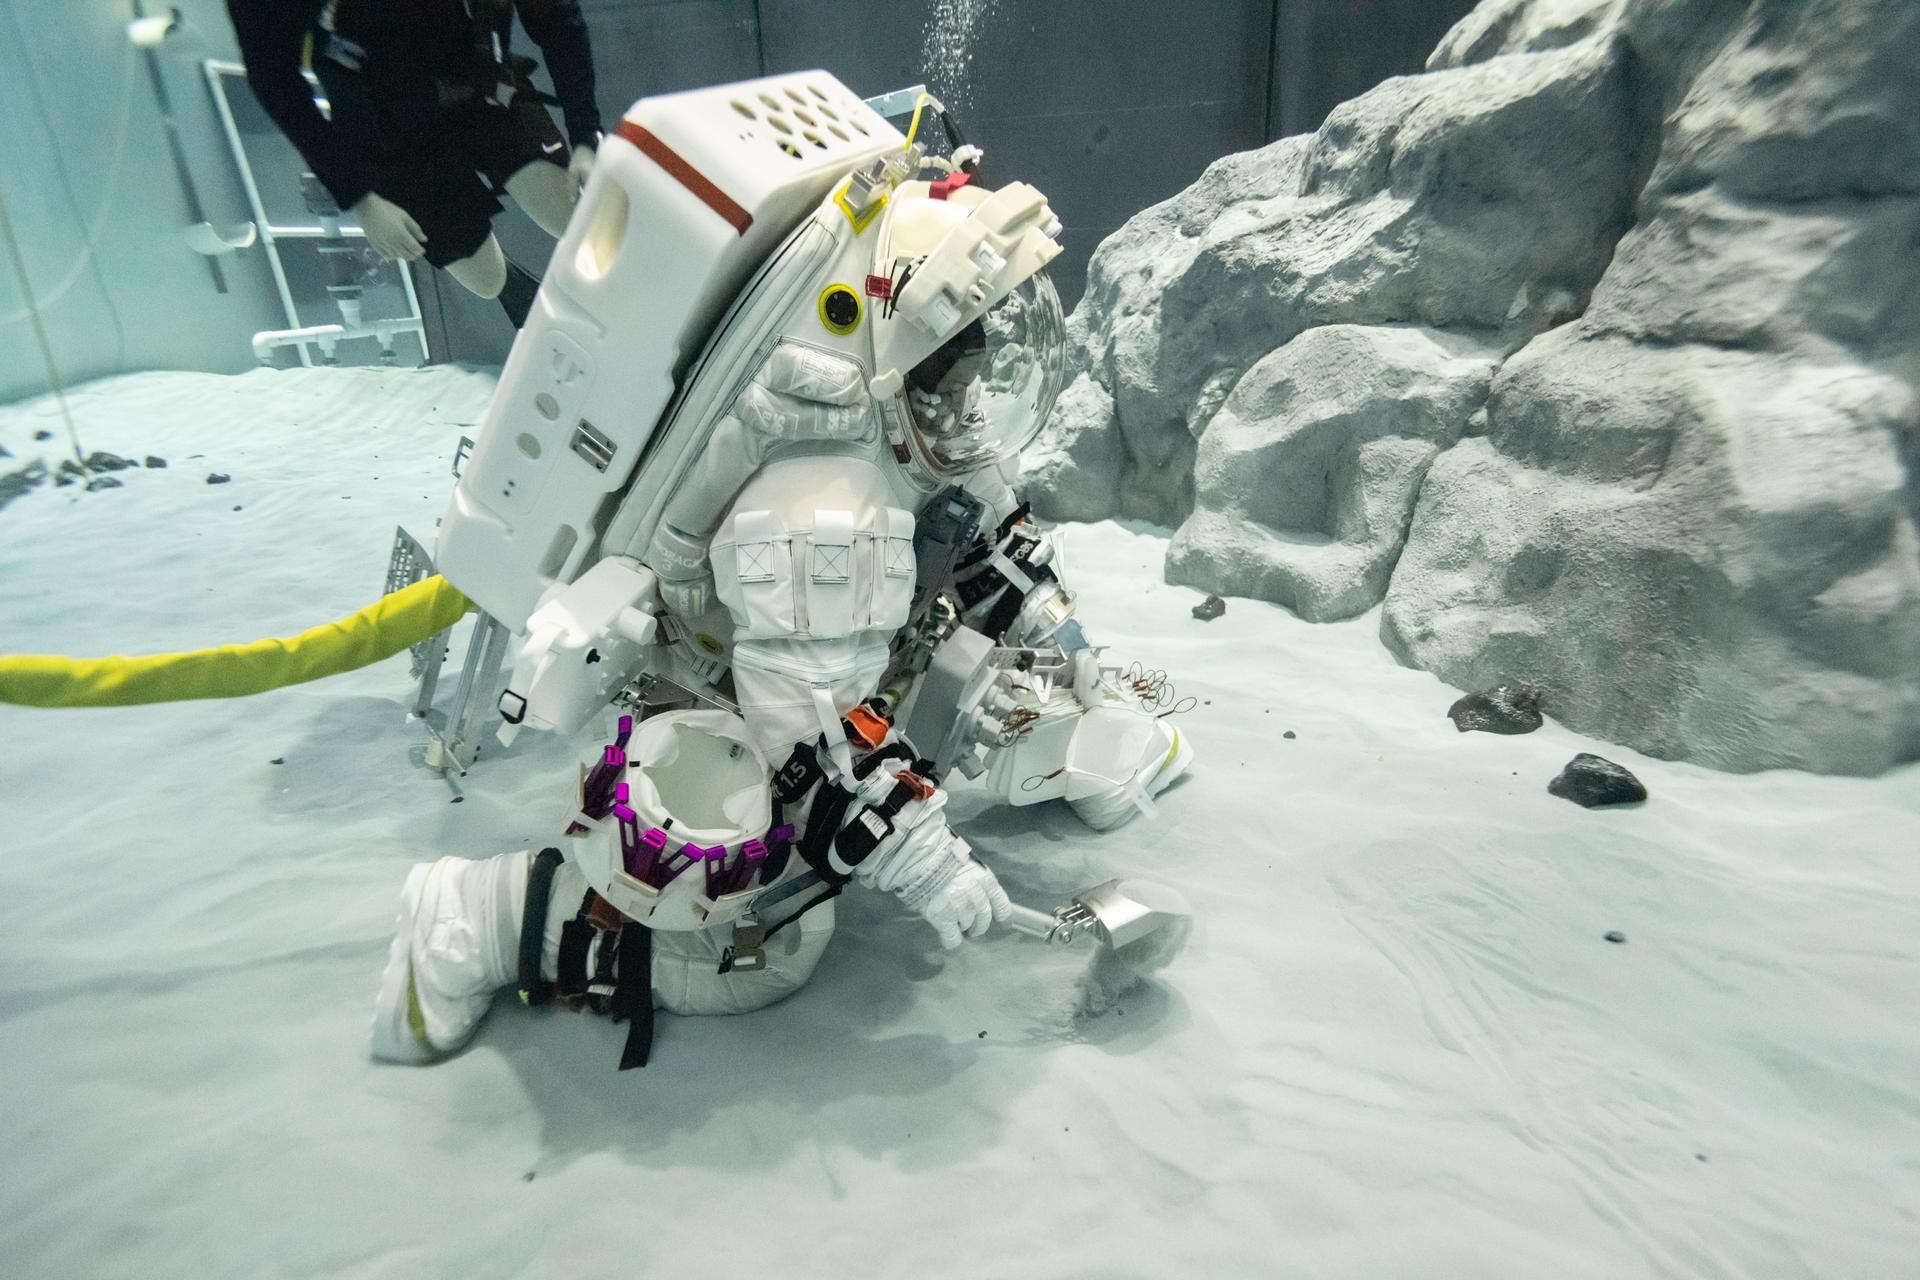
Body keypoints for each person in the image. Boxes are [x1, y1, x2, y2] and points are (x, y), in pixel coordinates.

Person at [371, 82, 1195, 1069]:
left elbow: (981, 513)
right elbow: (811, 741)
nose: (971, 402)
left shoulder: (890, 384)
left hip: (821, 661)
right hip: (732, 692)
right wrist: (930, 864)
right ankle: (477, 915)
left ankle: (1056, 739)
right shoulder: (824, 508)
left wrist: (1066, 644)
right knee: (764, 954)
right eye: (959, 379)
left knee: (967, 678)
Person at [226, 0, 602, 325]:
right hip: (387, 136)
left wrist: (586, 136)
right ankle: (520, 292)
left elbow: (557, 19)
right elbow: (274, 82)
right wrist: (361, 199)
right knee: (486, 280)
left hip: (478, 85)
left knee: (572, 213)